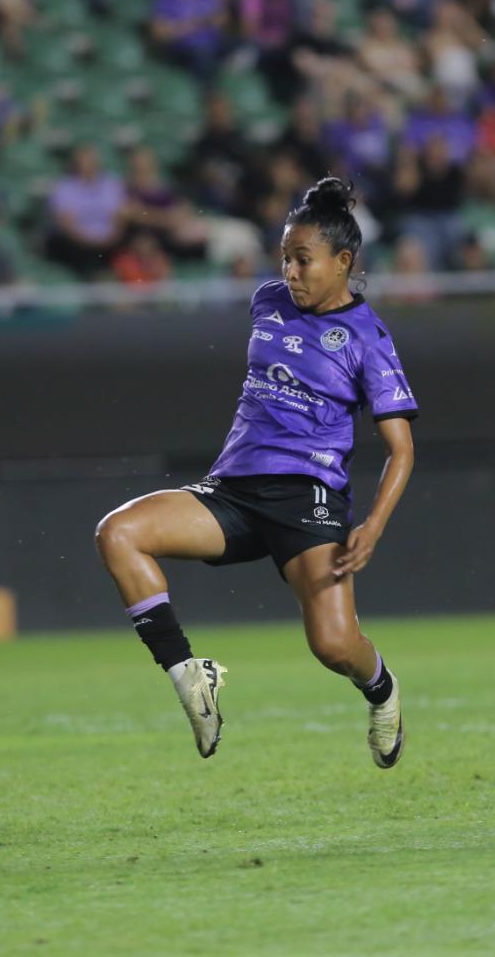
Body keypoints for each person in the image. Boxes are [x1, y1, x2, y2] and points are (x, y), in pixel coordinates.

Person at [94, 179, 417, 767]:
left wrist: (372, 526)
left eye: (303, 260)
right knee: (118, 533)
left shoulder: (368, 339)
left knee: (334, 646)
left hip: (309, 498)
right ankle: (190, 676)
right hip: (233, 490)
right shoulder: (268, 300)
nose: (290, 272)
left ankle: (382, 689)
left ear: (344, 262)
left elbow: (402, 450)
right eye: (285, 258)